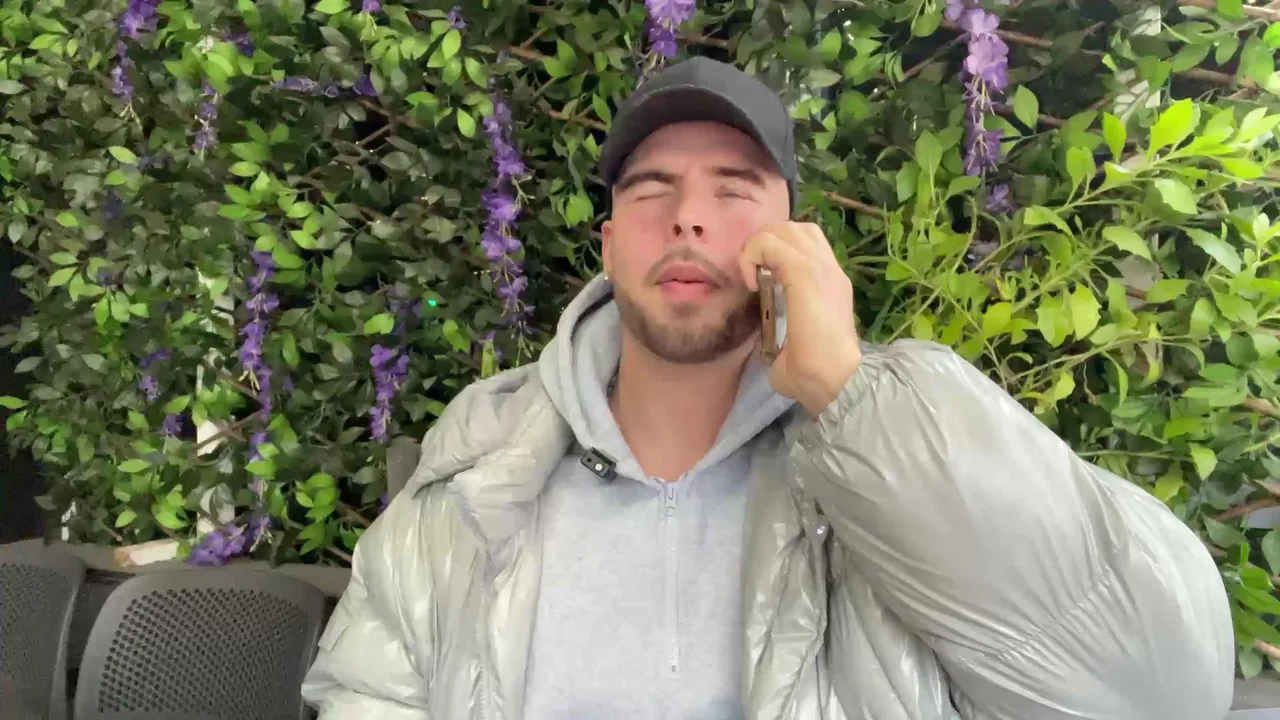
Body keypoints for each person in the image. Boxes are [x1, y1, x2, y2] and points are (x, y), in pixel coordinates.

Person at [301, 57, 1234, 719]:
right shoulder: (480, 458)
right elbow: (368, 692)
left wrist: (848, 392)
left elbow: (1159, 692)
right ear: (609, 247)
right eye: (650, 190)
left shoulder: (898, 458)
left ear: (797, 240)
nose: (689, 218)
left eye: (735, 188)